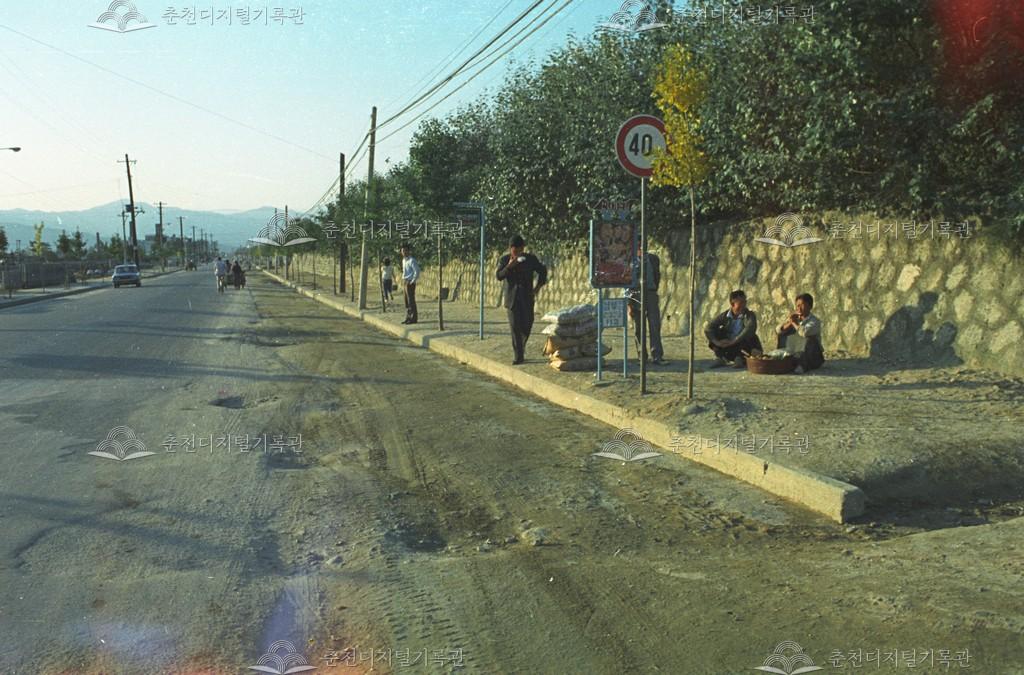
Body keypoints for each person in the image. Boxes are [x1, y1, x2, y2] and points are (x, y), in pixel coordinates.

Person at [496, 234, 548, 365]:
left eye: (520, 250)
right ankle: (518, 356)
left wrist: (537, 288)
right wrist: (509, 266)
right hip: (511, 300)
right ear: (510, 249)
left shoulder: (530, 259)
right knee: (515, 327)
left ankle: (521, 345)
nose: (518, 253)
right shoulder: (505, 259)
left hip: (526, 298)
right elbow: (499, 276)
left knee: (527, 325)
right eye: (515, 250)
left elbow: (543, 271)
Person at [626, 245, 665, 365]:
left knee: (655, 325)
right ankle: (642, 356)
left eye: (642, 246)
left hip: (651, 293)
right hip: (636, 294)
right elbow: (627, 281)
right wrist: (629, 302)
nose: (641, 249)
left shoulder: (653, 259)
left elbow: (657, 275)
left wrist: (653, 290)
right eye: (638, 246)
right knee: (639, 327)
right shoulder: (629, 260)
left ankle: (657, 355)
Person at [704, 289, 763, 368]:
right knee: (716, 335)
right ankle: (722, 358)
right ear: (732, 304)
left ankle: (739, 359)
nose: (744, 305)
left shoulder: (749, 315)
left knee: (750, 338)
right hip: (728, 343)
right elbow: (709, 328)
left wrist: (733, 341)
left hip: (741, 343)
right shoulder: (725, 316)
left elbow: (750, 328)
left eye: (745, 302)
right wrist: (717, 342)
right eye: (741, 303)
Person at [776, 293, 824, 373]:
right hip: (796, 352)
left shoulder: (815, 321)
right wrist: (789, 323)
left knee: (809, 339)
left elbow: (804, 333)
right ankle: (785, 360)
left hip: (812, 355)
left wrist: (794, 323)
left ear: (809, 306)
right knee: (783, 333)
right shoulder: (795, 318)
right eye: (797, 305)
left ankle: (802, 366)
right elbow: (778, 330)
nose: (799, 308)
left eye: (802, 305)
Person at [400, 245, 420, 324]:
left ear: (409, 251)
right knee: (406, 301)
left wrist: (413, 281)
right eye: (402, 251)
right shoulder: (404, 260)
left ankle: (413, 318)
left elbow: (417, 271)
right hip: (405, 281)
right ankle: (408, 317)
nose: (404, 252)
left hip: (410, 282)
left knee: (411, 301)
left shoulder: (412, 260)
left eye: (405, 251)